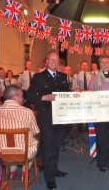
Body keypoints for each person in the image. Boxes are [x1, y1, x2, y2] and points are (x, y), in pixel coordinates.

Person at [27, 51, 70, 190]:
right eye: (51, 59)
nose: (54, 62)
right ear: (46, 61)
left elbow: (66, 94)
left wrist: (75, 92)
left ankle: (54, 169)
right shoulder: (38, 77)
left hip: (61, 116)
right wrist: (44, 97)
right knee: (47, 146)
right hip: (46, 117)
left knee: (56, 145)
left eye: (56, 60)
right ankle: (49, 178)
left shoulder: (63, 76)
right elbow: (30, 95)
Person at [0, 85, 39, 181]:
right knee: (34, 140)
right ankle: (24, 173)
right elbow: (36, 131)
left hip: (0, 153)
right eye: (21, 95)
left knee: (11, 144)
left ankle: (12, 172)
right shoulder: (27, 112)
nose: (23, 98)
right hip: (23, 153)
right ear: (15, 97)